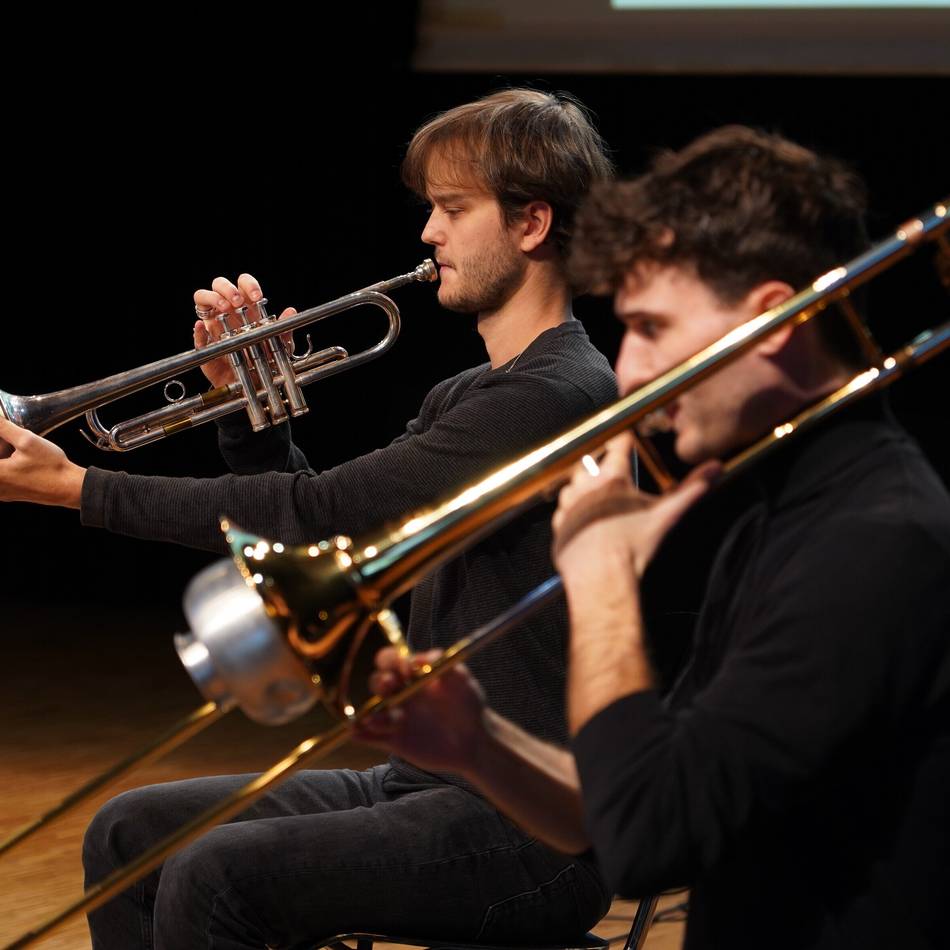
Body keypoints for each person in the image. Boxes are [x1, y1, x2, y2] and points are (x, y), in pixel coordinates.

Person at [0, 89, 618, 949]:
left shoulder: (557, 396)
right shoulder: (470, 392)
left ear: (532, 224)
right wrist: (249, 407)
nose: (428, 234)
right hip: (428, 784)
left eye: (452, 209)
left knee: (216, 876)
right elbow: (326, 535)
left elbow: (315, 512)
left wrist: (78, 490)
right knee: (131, 833)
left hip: (532, 826)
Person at [360, 126, 950, 949]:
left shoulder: (876, 541)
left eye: (653, 327)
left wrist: (600, 580)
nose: (630, 372)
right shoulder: (780, 509)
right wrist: (480, 745)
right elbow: (643, 797)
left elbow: (646, 843)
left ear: (771, 321)